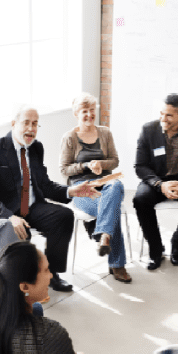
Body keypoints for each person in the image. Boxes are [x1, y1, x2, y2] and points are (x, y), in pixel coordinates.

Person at [0, 105, 100, 292]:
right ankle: (12, 277)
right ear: (13, 124)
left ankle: (51, 274)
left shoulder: (36, 148)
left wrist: (72, 191)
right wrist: (9, 217)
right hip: (7, 211)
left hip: (33, 207)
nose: (31, 128)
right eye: (26, 122)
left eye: (35, 124)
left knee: (64, 216)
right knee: (19, 234)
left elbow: (44, 184)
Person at [60, 93, 131, 283]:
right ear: (76, 113)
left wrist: (101, 164)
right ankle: (117, 263)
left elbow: (114, 161)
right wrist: (85, 166)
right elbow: (64, 169)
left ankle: (104, 235)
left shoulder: (105, 133)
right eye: (85, 111)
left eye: (92, 110)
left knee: (115, 186)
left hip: (105, 184)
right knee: (111, 207)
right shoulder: (69, 138)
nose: (90, 115)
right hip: (81, 188)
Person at [133, 94, 178, 270]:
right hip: (157, 181)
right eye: (161, 113)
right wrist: (160, 184)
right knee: (140, 199)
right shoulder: (148, 130)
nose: (163, 119)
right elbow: (140, 166)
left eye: (168, 115)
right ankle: (156, 249)